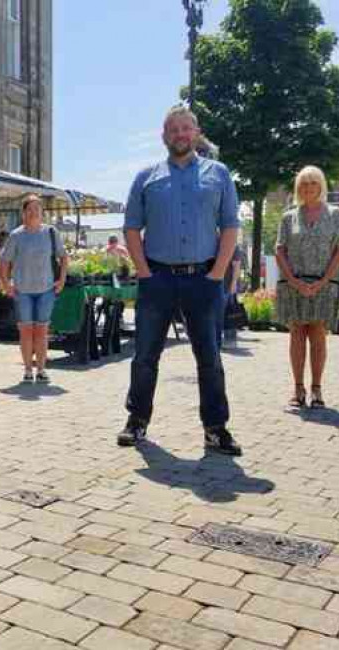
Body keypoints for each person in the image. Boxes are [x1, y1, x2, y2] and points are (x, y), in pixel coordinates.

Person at [119, 105, 242, 456]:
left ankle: (216, 429)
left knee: (210, 358)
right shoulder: (146, 177)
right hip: (156, 278)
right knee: (145, 356)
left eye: (186, 128)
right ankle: (137, 420)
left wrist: (217, 273)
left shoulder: (218, 174)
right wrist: (143, 271)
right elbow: (131, 228)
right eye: (174, 129)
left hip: (203, 278)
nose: (180, 134)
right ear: (164, 136)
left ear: (197, 132)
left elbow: (231, 226)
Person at [274, 165, 339, 409]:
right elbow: (279, 249)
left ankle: (316, 389)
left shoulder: (335, 214)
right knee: (297, 335)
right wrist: (294, 281)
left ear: (321, 186)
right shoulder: (288, 216)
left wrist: (323, 281)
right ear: (298, 188)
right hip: (294, 284)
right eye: (303, 184)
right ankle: (298, 389)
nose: (308, 188)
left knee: (317, 336)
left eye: (313, 183)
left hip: (323, 284)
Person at [0, 194, 67, 383]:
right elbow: (4, 262)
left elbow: (63, 257)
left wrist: (61, 280)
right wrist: (6, 284)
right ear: (23, 213)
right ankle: (28, 370)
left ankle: (42, 369)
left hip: (46, 290)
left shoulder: (51, 232)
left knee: (42, 331)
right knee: (26, 331)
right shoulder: (16, 235)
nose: (34, 212)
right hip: (23, 291)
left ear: (42, 212)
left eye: (37, 209)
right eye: (30, 209)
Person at [220, 245, 245, 347]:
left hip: (228, 285)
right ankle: (224, 339)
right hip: (218, 285)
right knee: (224, 313)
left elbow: (236, 265)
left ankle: (230, 340)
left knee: (230, 312)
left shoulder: (233, 245)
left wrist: (233, 284)